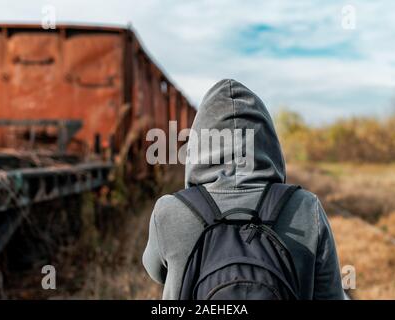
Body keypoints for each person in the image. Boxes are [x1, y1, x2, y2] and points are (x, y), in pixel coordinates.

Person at [142, 79, 345, 300]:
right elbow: (331, 294)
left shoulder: (169, 210)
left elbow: (156, 271)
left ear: (199, 142)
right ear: (268, 139)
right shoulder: (306, 206)